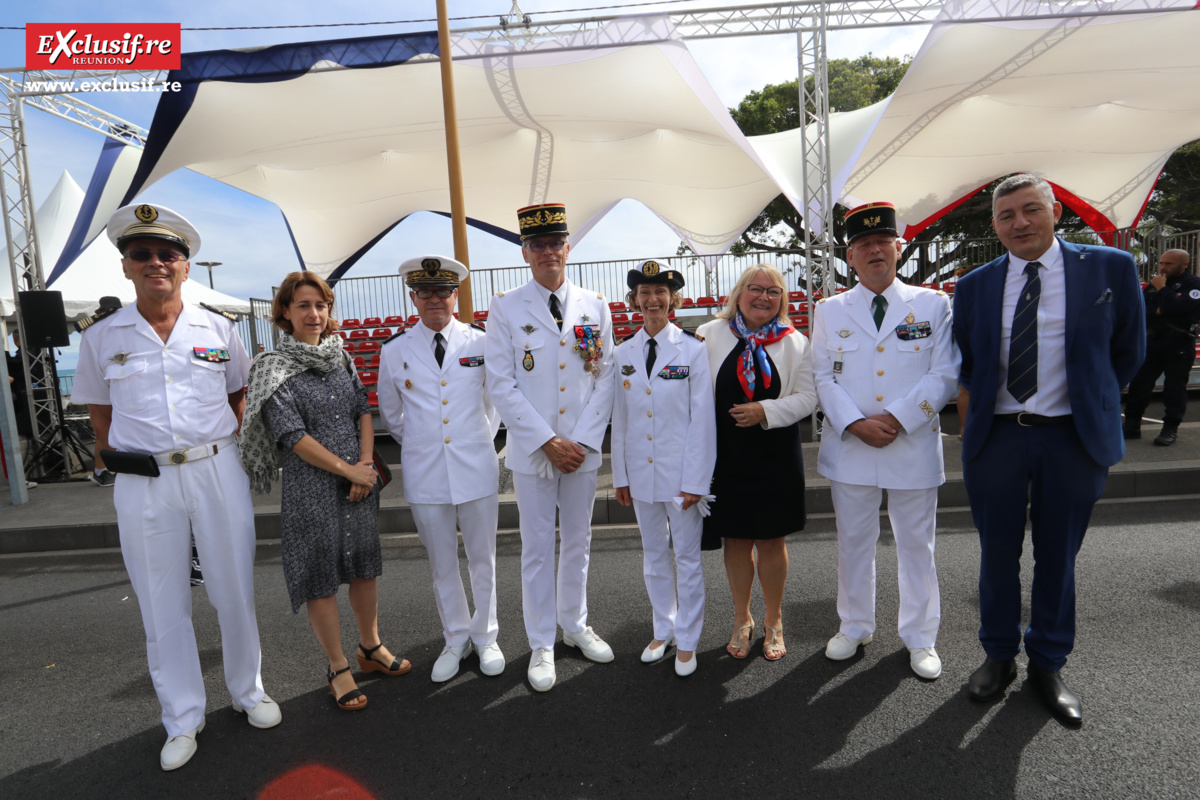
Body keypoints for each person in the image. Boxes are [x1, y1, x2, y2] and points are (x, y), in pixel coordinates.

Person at [71, 203, 280, 771]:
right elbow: (100, 414)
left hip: (216, 467)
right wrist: (126, 456)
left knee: (232, 585)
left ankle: (248, 691)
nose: (156, 263)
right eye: (143, 254)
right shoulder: (101, 336)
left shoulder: (219, 329)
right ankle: (182, 717)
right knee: (160, 598)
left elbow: (239, 396)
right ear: (125, 266)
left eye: (169, 254)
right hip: (144, 478)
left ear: (186, 267)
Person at [953, 175, 1144, 725]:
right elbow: (971, 363)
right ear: (995, 225)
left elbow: (1128, 352)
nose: (1020, 223)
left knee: (1058, 555)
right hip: (1000, 437)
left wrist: (1092, 402)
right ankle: (998, 655)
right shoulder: (975, 286)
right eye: (1007, 215)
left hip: (1073, 437)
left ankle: (1048, 663)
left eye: (1031, 210)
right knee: (996, 555)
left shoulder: (1110, 268)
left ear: (1055, 211)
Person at [241, 271, 411, 713]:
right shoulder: (271, 368)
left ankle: (370, 649)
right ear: (284, 313)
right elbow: (292, 436)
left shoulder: (342, 357)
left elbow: (363, 411)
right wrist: (350, 472)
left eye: (320, 305)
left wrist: (366, 467)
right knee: (320, 578)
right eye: (303, 305)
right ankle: (338, 667)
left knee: (364, 567)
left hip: (359, 479)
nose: (314, 314)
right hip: (311, 488)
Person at [811, 202, 960, 680]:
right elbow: (823, 378)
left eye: (882, 242)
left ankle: (921, 637)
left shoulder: (933, 303)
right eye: (862, 245)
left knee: (917, 544)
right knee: (854, 541)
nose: (874, 250)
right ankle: (854, 625)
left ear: (898, 248)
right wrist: (856, 424)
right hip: (852, 446)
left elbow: (945, 373)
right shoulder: (829, 310)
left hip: (910, 443)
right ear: (849, 257)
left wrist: (896, 419)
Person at [484, 203, 615, 692]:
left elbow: (603, 376)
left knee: (578, 543)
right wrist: (548, 441)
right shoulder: (506, 306)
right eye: (536, 246)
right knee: (538, 549)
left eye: (554, 243)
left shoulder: (593, 304)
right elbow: (501, 383)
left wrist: (579, 441)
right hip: (535, 452)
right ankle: (541, 642)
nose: (546, 253)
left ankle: (575, 626)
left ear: (567, 248)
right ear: (525, 253)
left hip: (580, 450)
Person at [377, 255, 505, 683]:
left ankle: (486, 637)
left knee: (482, 558)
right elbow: (394, 417)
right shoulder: (394, 351)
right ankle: (455, 637)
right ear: (413, 297)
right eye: (426, 292)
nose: (436, 299)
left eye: (444, 291)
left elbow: (494, 409)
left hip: (476, 466)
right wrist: (429, 445)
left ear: (456, 295)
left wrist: (471, 443)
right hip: (426, 470)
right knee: (441, 563)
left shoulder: (481, 342)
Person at [698, 264, 818, 662]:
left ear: (782, 300)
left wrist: (764, 411)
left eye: (774, 291)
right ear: (739, 293)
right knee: (735, 538)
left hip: (775, 452)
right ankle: (741, 619)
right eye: (756, 289)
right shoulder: (709, 334)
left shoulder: (795, 342)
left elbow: (807, 398)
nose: (764, 297)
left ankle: (774, 620)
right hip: (725, 453)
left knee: (770, 538)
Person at [611, 260, 716, 677]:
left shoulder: (693, 350)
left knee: (687, 558)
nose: (652, 300)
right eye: (644, 293)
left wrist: (696, 481)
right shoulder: (623, 353)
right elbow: (620, 420)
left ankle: (688, 638)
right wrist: (620, 475)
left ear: (674, 300)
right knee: (654, 556)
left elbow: (703, 421)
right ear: (633, 301)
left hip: (680, 476)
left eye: (660, 293)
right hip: (640, 474)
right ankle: (663, 629)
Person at [1122, 249, 1200, 446]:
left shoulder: (1194, 284)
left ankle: (1170, 428)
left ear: (1184, 265)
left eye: (1169, 264)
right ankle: (1132, 423)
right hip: (1153, 341)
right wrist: (1165, 304)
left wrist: (1163, 292)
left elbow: (1181, 307)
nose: (1163, 268)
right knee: (1140, 384)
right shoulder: (1153, 285)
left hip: (1179, 343)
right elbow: (1143, 309)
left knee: (1174, 388)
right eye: (1162, 263)